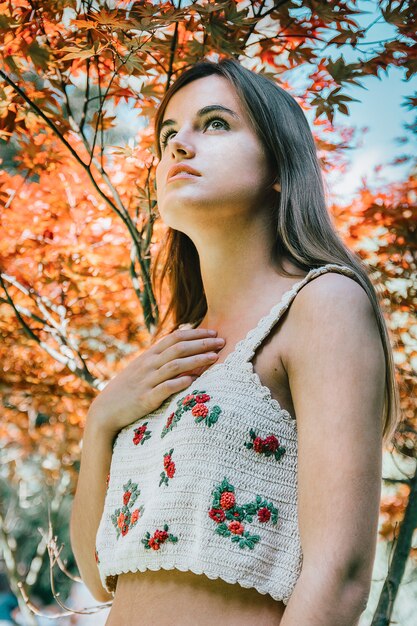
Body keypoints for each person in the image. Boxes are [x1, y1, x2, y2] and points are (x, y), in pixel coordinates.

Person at [70, 58, 400, 626]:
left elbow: (340, 575)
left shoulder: (321, 304)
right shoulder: (176, 349)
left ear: (279, 164)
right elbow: (101, 573)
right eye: (168, 133)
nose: (179, 146)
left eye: (215, 124)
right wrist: (101, 421)